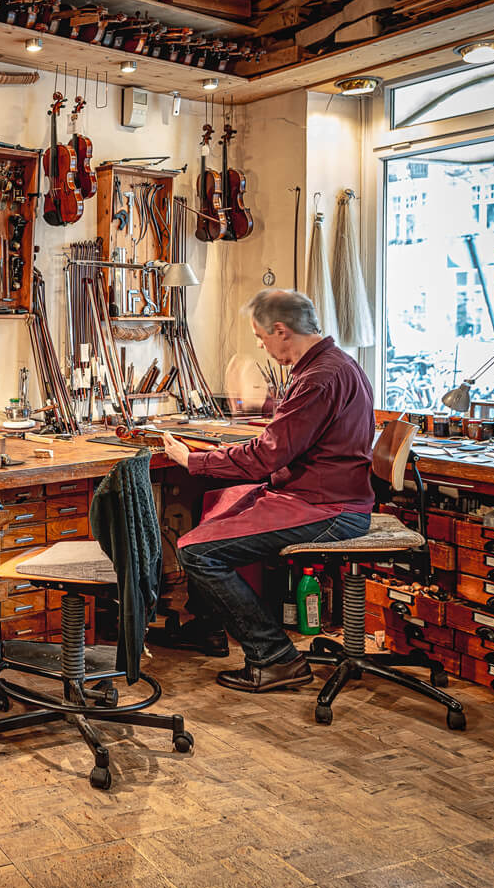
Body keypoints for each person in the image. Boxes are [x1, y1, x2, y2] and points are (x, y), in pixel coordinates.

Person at [160, 289, 374, 693]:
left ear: (281, 330)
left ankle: (274, 657)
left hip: (328, 509)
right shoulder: (334, 364)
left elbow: (266, 458)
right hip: (320, 495)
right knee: (212, 506)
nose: (260, 345)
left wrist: (195, 460)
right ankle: (208, 627)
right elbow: (282, 443)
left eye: (261, 337)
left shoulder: (320, 378)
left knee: (196, 551)